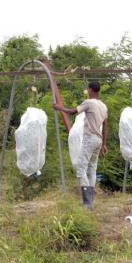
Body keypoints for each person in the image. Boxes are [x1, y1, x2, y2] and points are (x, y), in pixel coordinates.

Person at [54, 81, 108, 210]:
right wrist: (104, 144)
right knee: (92, 168)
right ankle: (91, 201)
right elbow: (106, 126)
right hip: (99, 140)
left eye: (88, 89)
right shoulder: (103, 106)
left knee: (81, 169)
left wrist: (59, 107)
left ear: (90, 90)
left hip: (90, 138)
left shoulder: (89, 103)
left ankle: (87, 202)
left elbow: (73, 111)